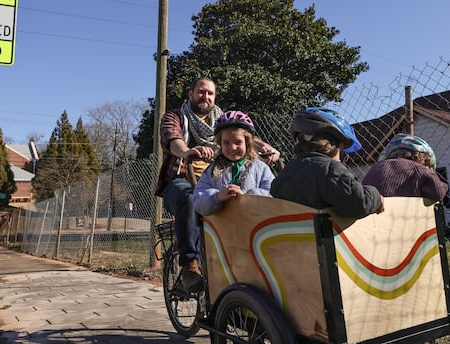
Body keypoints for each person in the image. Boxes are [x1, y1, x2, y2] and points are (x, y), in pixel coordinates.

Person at [155, 77, 279, 291]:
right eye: (201, 92)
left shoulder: (221, 119)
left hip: (221, 181)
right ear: (191, 94)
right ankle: (189, 265)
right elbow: (172, 139)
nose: (206, 97)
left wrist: (267, 147)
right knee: (189, 198)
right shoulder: (176, 117)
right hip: (182, 180)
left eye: (210, 93)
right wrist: (186, 152)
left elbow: (242, 134)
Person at [270, 107, 384, 218]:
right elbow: (359, 204)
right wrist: (376, 197)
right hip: (323, 236)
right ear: (339, 144)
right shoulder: (332, 171)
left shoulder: (285, 175)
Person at [192, 111, 275, 216]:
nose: (232, 147)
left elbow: (273, 199)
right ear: (220, 144)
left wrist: (248, 197)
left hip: (255, 227)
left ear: (247, 143)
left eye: (238, 142)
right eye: (226, 143)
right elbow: (198, 202)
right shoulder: (213, 171)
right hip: (222, 228)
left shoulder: (260, 169)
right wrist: (217, 196)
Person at [362, 133, 448, 206]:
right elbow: (438, 192)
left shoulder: (374, 169)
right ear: (423, 159)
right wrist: (444, 186)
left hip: (376, 220)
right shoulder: (420, 170)